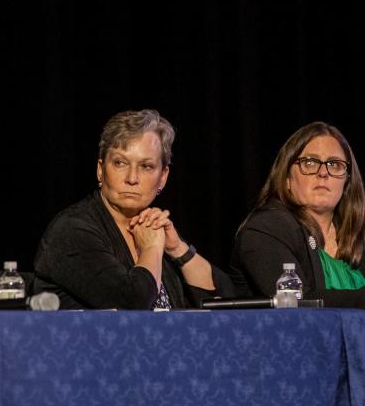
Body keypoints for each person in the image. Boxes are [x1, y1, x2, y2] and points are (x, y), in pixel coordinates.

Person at [229, 121, 365, 309]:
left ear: (347, 182)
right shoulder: (266, 228)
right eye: (310, 163)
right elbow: (298, 301)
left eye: (335, 165)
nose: (323, 173)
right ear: (286, 179)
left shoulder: (354, 236)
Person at [33, 109, 233, 309]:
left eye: (146, 166)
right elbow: (132, 306)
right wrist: (152, 249)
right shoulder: (71, 231)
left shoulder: (151, 228)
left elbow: (225, 300)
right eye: (120, 163)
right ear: (100, 170)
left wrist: (177, 249)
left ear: (163, 176)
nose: (132, 178)